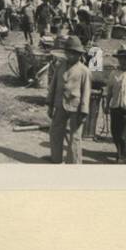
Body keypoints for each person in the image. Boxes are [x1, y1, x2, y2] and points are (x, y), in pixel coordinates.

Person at [47, 36, 91, 164]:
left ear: (79, 55)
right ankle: (56, 159)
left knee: (75, 137)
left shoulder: (84, 71)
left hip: (75, 106)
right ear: (66, 53)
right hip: (60, 103)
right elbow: (53, 86)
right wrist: (50, 105)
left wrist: (84, 111)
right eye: (69, 53)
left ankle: (74, 163)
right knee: (55, 131)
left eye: (75, 54)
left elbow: (86, 92)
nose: (72, 56)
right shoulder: (60, 66)